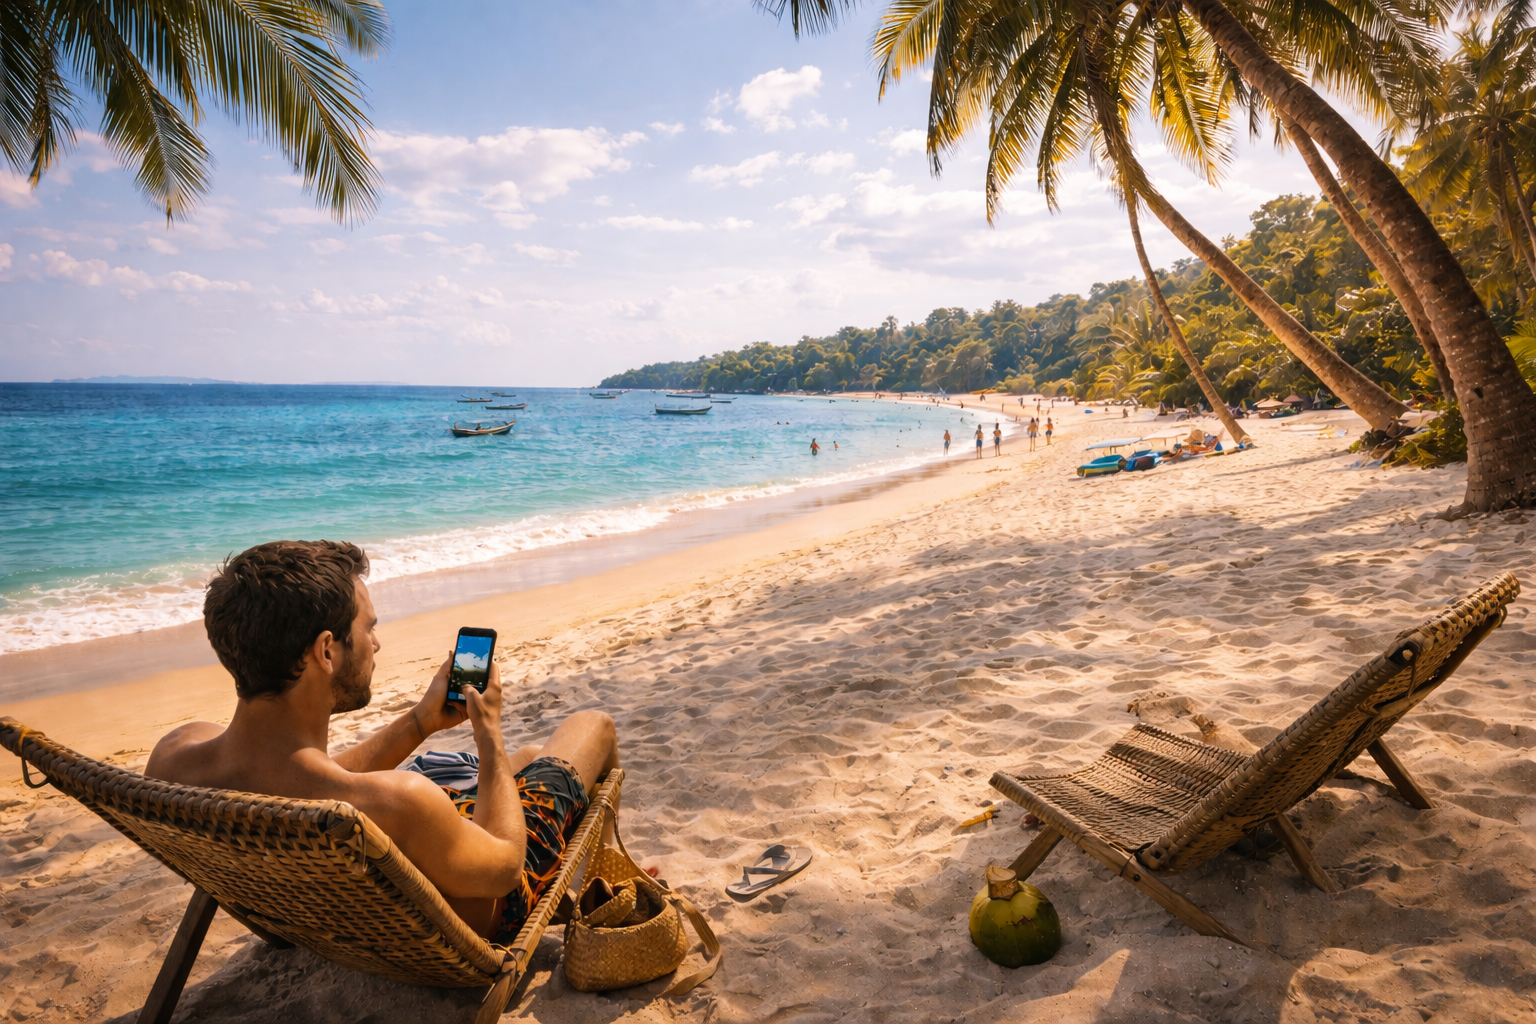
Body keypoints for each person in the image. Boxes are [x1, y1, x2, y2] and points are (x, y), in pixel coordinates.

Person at [146, 540, 619, 945]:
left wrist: (418, 723)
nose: (376, 644)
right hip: (485, 907)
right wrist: (488, 735)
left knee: (530, 760)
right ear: (326, 650)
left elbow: (303, 775)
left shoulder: (173, 759)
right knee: (592, 727)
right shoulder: (400, 803)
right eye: (368, 628)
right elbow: (504, 869)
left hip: (324, 923)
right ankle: (612, 878)